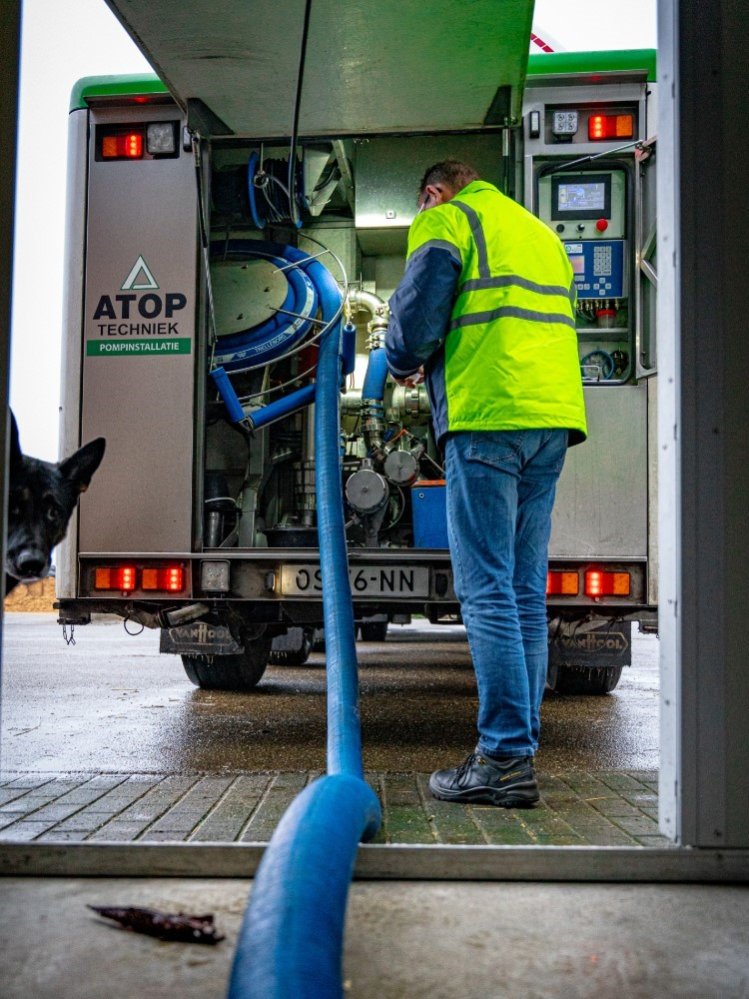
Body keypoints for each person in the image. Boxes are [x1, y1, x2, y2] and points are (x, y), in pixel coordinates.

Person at [385, 160, 587, 808]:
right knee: (524, 591)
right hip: (550, 421)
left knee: (486, 590)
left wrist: (401, 360)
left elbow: (415, 322)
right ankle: (516, 751)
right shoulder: (539, 233)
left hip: (486, 419)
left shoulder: (447, 219)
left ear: (430, 191)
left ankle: (501, 757)